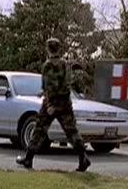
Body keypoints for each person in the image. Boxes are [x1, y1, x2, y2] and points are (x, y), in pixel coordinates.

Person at [16, 38, 91, 172]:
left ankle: (28, 158)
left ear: (48, 49)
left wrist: (49, 104)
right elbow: (67, 84)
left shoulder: (48, 65)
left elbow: (48, 87)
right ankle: (83, 158)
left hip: (51, 103)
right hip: (65, 103)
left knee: (39, 130)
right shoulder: (64, 64)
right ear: (59, 49)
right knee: (72, 131)